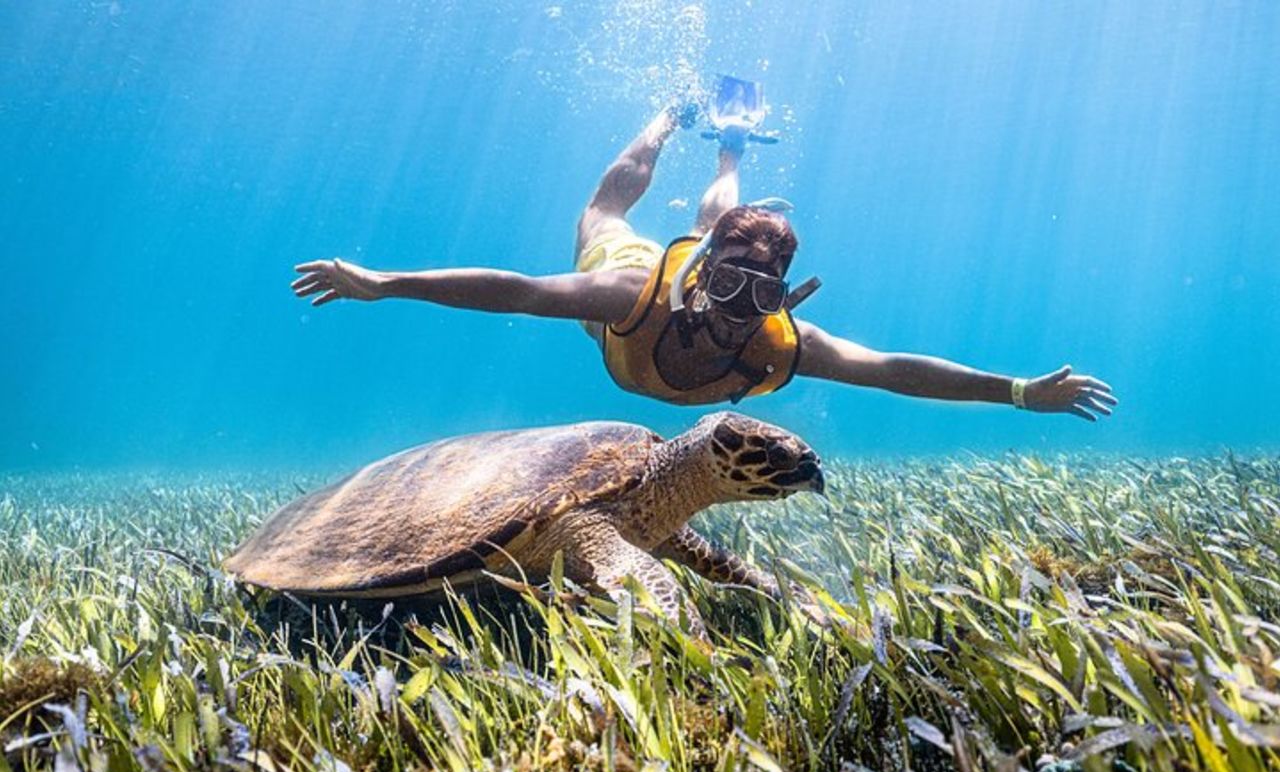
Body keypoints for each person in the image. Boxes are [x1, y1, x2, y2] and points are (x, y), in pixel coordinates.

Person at [291, 88, 1116, 421]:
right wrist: (384, 282)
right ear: (704, 276)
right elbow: (515, 289)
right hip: (634, 267)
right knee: (605, 207)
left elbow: (892, 367)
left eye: (757, 296)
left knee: (721, 212)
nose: (731, 313)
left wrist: (1014, 391)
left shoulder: (777, 341)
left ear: (784, 299)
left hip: (694, 258)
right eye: (724, 284)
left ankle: (730, 150)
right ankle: (665, 120)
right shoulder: (628, 293)